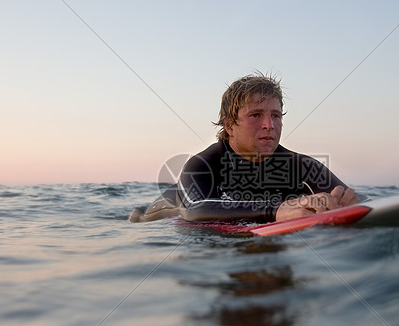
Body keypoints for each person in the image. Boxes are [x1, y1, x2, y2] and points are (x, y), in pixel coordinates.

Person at [130, 73, 360, 223]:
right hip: (156, 214)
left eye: (276, 115)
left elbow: (360, 200)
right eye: (256, 115)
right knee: (141, 216)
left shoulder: (301, 165)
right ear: (230, 125)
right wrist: (275, 211)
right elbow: (194, 210)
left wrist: (347, 200)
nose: (269, 125)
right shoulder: (203, 165)